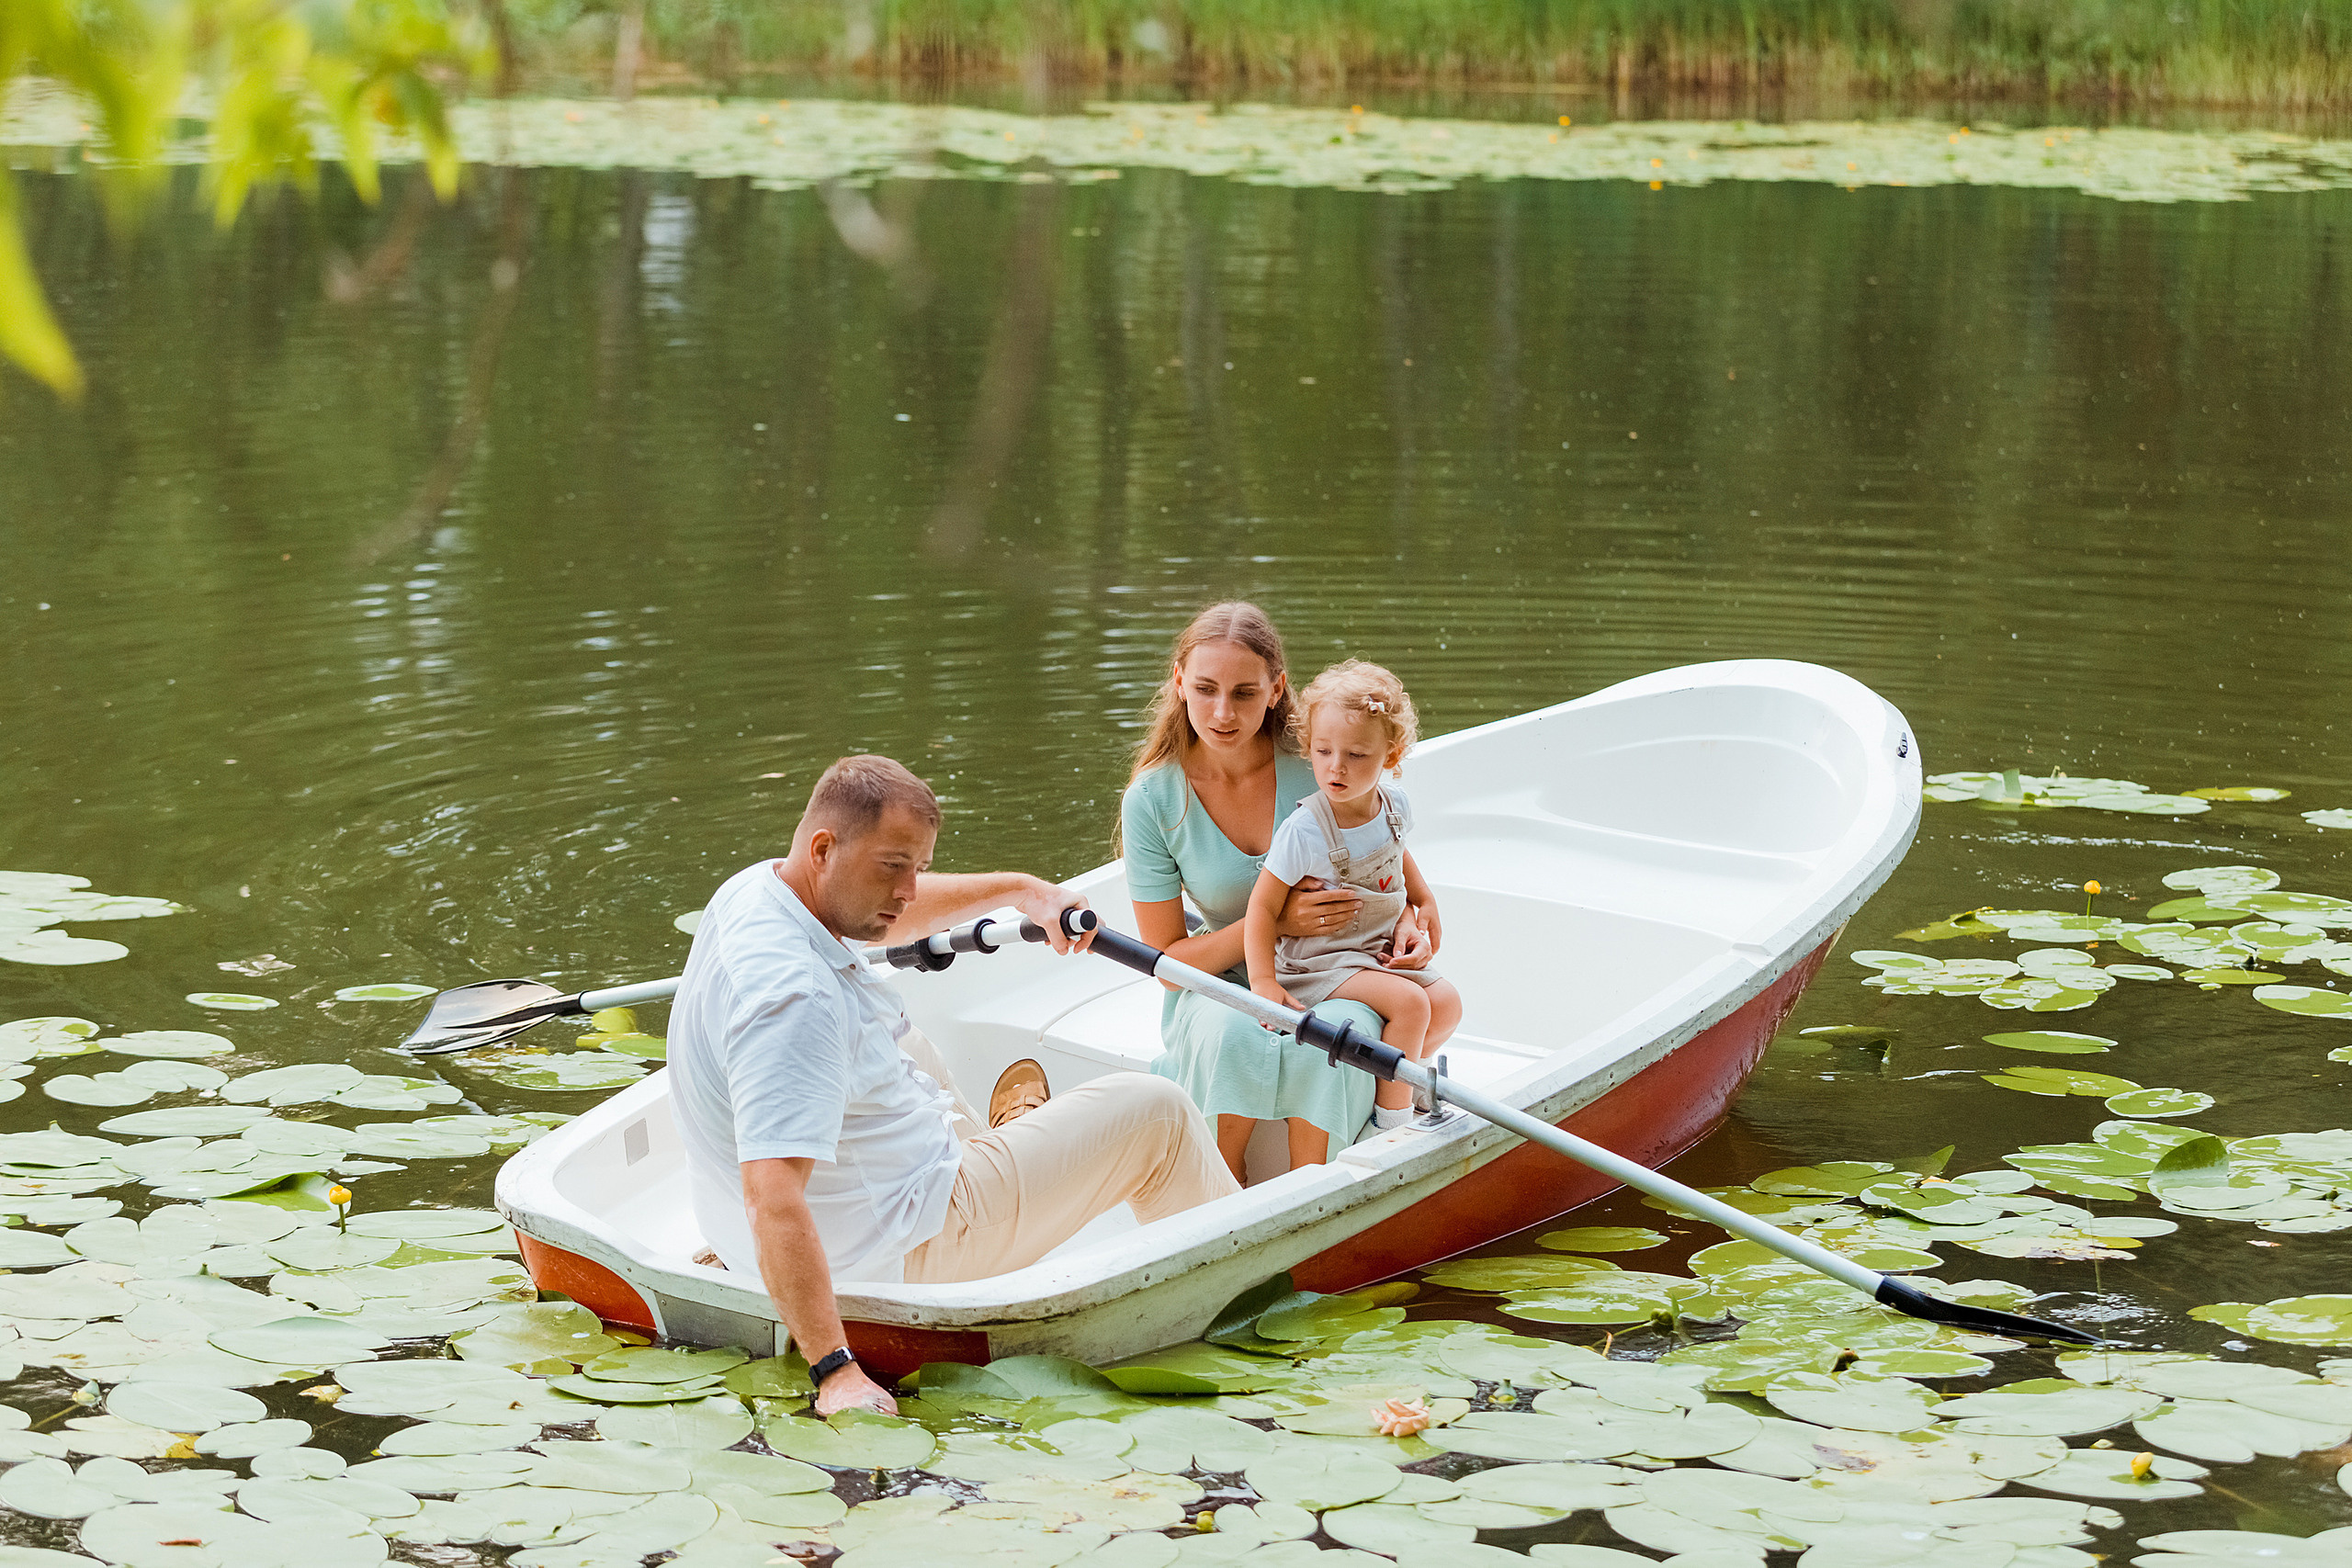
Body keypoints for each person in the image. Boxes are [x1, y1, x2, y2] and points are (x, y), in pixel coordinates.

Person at [669, 754, 1240, 1419]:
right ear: (825, 848)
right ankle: (1237, 1269)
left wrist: (1019, 889)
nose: (911, 890)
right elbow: (771, 1196)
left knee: (908, 1041)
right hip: (903, 1247)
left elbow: (889, 916)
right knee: (1158, 1114)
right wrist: (835, 1369)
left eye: (918, 866)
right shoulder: (796, 1001)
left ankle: (1014, 1138)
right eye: (894, 866)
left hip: (807, 1214)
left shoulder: (759, 888)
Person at [1120, 603, 1384, 1182]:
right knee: (1226, 1033)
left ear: (1275, 689)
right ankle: (1216, 1194)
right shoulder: (1154, 799)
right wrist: (1276, 923)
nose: (1222, 712)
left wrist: (1410, 917)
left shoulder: (1318, 764)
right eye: (1206, 688)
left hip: (1333, 966)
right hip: (1220, 978)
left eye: (1243, 693)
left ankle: (1315, 1193)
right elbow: (1167, 966)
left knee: (1338, 1036)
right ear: (1179, 683)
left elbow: (1384, 853)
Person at [1245, 660, 1461, 1131]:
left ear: (1392, 754)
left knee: (1447, 1003)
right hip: (1319, 963)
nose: (1335, 767)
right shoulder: (1305, 829)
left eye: (1357, 756)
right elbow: (1262, 906)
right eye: (1323, 751)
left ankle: (1387, 1085)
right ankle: (1392, 1120)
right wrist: (1262, 981)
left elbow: (1398, 855)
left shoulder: (1393, 806)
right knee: (1410, 1005)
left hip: (1369, 950)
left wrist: (1424, 902)